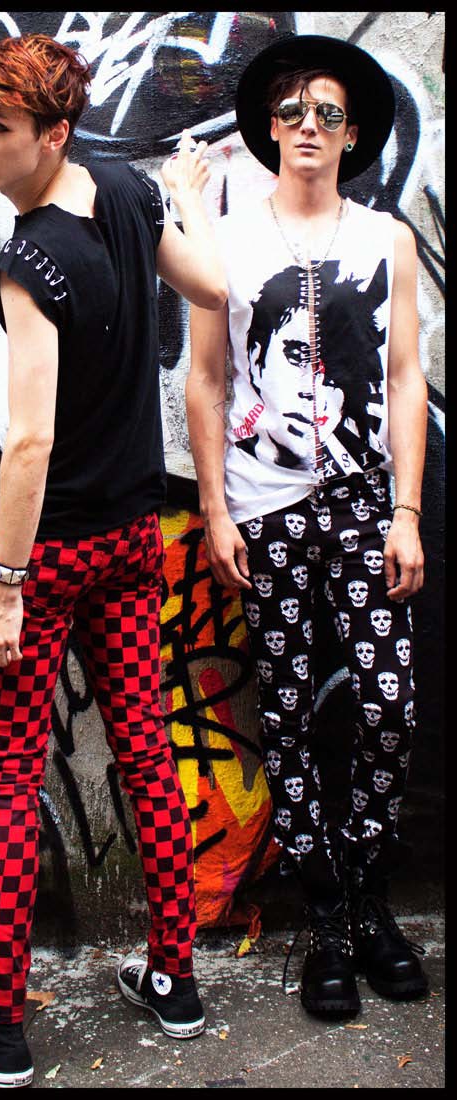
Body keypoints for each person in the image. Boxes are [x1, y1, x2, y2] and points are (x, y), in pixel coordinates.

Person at [0, 33, 227, 1088]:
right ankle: (175, 978)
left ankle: (0, 1030)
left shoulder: (29, 262)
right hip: (131, 543)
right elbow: (212, 284)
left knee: (10, 781)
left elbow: (29, 442)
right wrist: (185, 201)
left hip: (50, 557)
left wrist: (6, 588)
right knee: (147, 752)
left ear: (53, 134)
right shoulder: (130, 192)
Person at [187, 34, 429, 1019]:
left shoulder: (386, 241)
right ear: (269, 129)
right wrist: (214, 507)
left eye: (327, 113)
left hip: (366, 502)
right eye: (292, 112)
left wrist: (406, 510)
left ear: (351, 134)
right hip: (266, 507)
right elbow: (206, 381)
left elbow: (406, 379)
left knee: (387, 703)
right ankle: (327, 916)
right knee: (285, 712)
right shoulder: (228, 242)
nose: (308, 128)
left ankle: (366, 887)